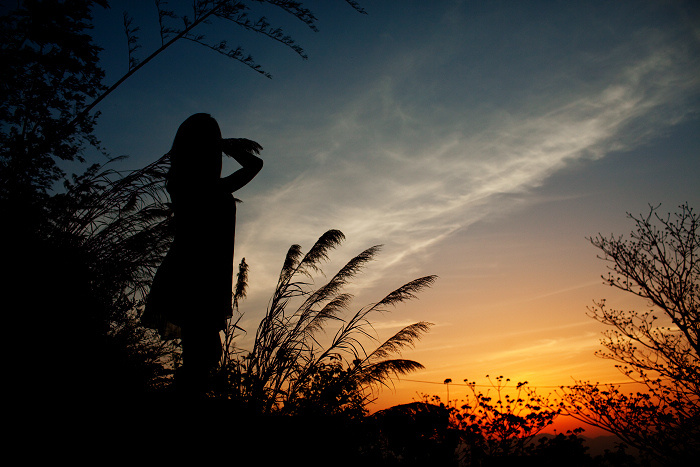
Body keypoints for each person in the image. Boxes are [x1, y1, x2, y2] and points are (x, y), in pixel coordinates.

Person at [143, 113, 263, 397]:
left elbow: (255, 164)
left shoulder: (191, 184)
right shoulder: (198, 186)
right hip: (195, 276)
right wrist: (226, 145)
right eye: (210, 142)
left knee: (201, 356)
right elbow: (254, 165)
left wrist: (221, 143)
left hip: (200, 275)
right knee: (202, 357)